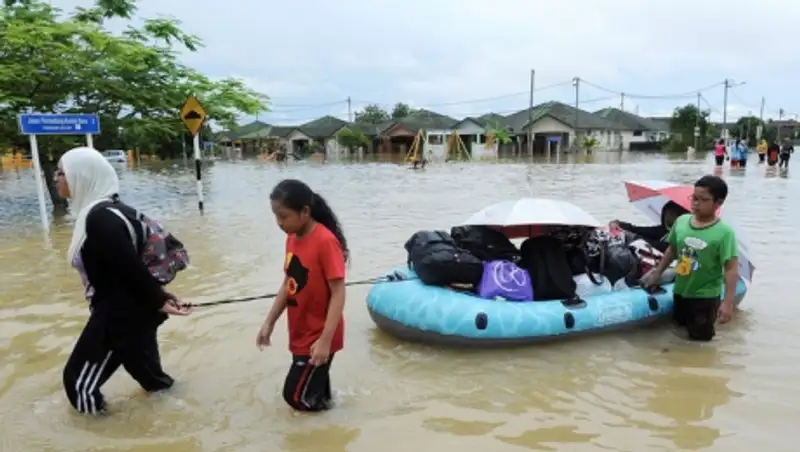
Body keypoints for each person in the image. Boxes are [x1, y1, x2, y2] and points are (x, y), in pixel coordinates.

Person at [58, 147, 191, 415]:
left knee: (78, 385)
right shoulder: (117, 211)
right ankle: (181, 417)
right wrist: (159, 297)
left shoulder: (100, 219)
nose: (56, 178)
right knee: (153, 381)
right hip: (138, 309)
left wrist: (158, 299)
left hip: (119, 315)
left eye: (61, 172)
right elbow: (131, 264)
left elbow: (128, 265)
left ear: (82, 176)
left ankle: (97, 433)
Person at [256, 179, 348, 412]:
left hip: (319, 335)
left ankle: (326, 430)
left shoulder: (325, 241)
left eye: (283, 216)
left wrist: (325, 340)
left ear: (305, 212)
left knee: (295, 397)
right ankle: (335, 423)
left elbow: (338, 292)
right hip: (301, 330)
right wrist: (269, 322)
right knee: (314, 394)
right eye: (275, 216)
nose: (279, 223)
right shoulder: (292, 237)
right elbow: (289, 283)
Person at [644, 175, 738, 341]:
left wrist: (728, 303)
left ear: (718, 203)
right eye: (694, 198)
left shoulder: (724, 233)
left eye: (703, 200)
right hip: (680, 291)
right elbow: (672, 249)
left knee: (700, 342)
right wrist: (657, 273)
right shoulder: (681, 222)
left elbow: (731, 268)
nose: (696, 203)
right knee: (678, 334)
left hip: (706, 296)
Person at [609, 201, 688, 253]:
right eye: (666, 213)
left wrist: (632, 237)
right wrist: (619, 224)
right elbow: (640, 230)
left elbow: (659, 246)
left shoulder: (681, 236)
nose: (667, 217)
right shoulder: (663, 229)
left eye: (671, 214)